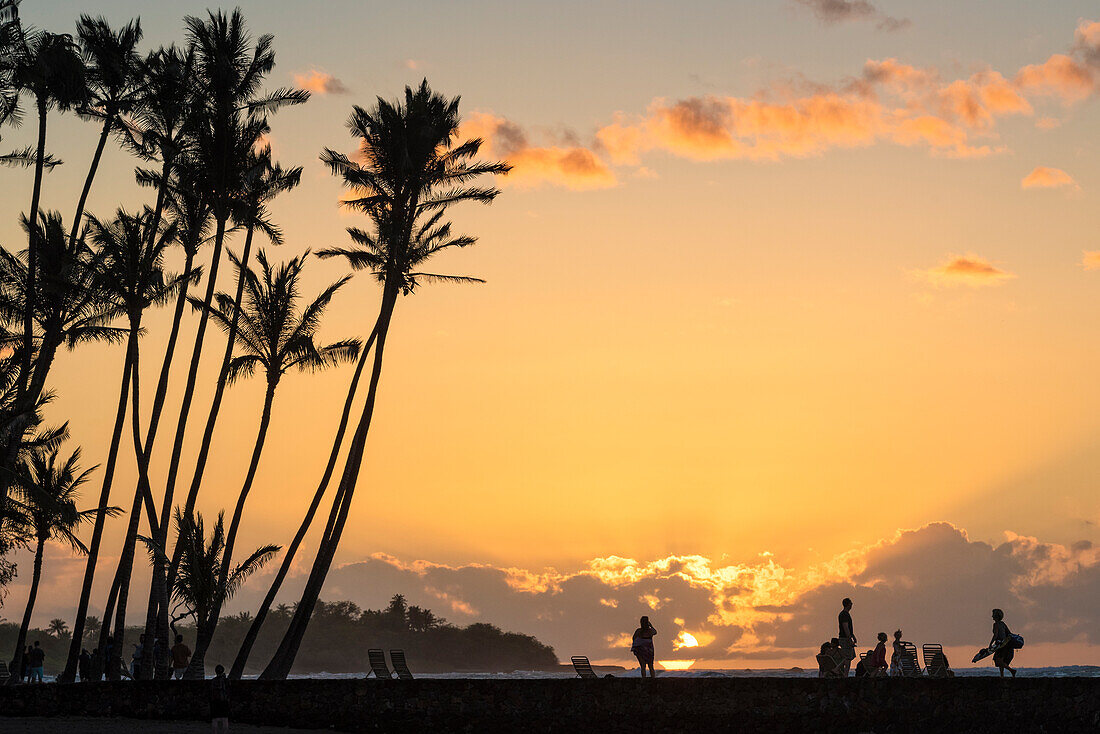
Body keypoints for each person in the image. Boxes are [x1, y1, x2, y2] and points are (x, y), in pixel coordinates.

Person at [989, 608, 1017, 678]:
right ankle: (1002, 676)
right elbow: (1009, 633)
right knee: (1001, 660)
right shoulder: (1003, 624)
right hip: (1005, 644)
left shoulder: (996, 624)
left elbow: (995, 635)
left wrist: (990, 644)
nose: (992, 616)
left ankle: (1012, 670)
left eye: (993, 615)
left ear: (996, 616)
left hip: (1000, 645)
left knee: (998, 661)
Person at [837, 597, 856, 675]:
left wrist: (853, 636)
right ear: (848, 604)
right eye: (851, 603)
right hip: (845, 638)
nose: (852, 605)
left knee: (850, 656)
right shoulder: (844, 614)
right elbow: (845, 627)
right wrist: (850, 639)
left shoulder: (845, 614)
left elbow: (848, 628)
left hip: (846, 638)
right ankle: (842, 672)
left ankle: (843, 673)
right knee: (847, 657)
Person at [210, 664, 230, 733]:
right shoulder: (226, 680)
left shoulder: (213, 681)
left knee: (215, 719)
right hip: (224, 701)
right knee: (225, 719)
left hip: (215, 701)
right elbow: (228, 690)